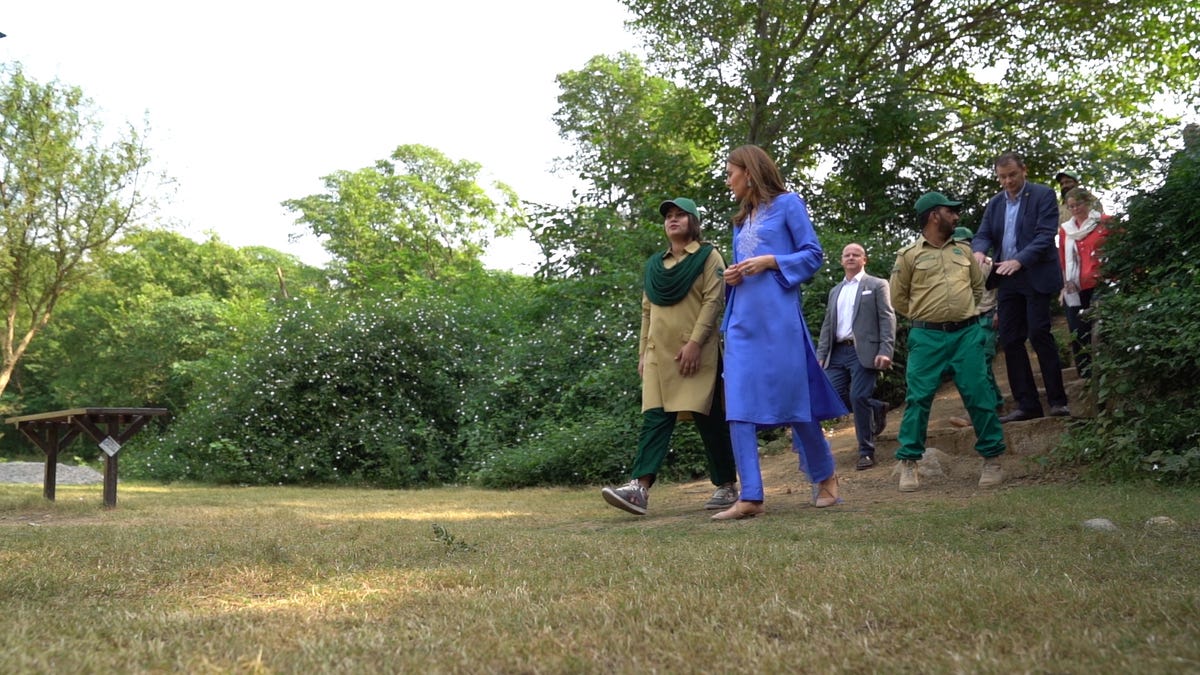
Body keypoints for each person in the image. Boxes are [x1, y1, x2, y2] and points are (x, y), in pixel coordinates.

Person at [712, 145, 847, 520]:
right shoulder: (740, 220)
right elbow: (743, 264)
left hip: (779, 319)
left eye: (731, 173)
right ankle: (751, 496)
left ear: (750, 173)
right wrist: (733, 275)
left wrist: (772, 261)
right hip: (741, 321)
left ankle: (825, 478)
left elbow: (813, 254)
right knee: (737, 402)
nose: (728, 181)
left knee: (794, 401)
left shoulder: (789, 204)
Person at [601, 198, 739, 516]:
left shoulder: (708, 256)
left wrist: (694, 344)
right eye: (668, 217)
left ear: (693, 221)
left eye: (680, 215)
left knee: (709, 419)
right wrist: (642, 353)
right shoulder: (655, 265)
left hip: (694, 353)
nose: (672, 220)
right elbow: (647, 311)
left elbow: (713, 302)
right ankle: (639, 488)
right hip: (657, 356)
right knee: (655, 419)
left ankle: (727, 485)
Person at [890, 192, 1007, 492]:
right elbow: (898, 298)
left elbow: (977, 288)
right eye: (950, 211)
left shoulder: (964, 252)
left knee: (979, 393)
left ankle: (992, 460)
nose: (956, 216)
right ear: (933, 216)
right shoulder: (909, 256)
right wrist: (927, 317)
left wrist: (965, 318)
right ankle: (909, 463)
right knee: (918, 399)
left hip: (967, 334)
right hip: (926, 337)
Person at [973, 152, 1070, 422]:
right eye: (1002, 177)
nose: (1008, 181)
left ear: (1023, 171)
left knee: (1039, 333)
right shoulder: (994, 204)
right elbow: (983, 234)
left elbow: (1045, 235)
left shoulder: (1043, 194)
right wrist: (979, 251)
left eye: (1012, 175)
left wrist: (1019, 260)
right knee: (1010, 338)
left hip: (1035, 273)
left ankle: (1057, 400)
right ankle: (1026, 404)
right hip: (1006, 277)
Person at [815, 243, 895, 471]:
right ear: (841, 260)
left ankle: (866, 452)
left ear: (864, 260)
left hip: (865, 351)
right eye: (846, 254)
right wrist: (821, 354)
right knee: (832, 396)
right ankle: (876, 407)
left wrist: (885, 350)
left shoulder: (877, 284)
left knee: (858, 396)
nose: (850, 257)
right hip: (837, 352)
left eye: (856, 254)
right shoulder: (835, 291)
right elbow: (827, 325)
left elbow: (887, 318)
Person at [1058, 187, 1110, 378]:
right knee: (1077, 330)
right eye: (1071, 206)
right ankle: (1085, 377)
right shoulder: (1066, 230)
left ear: (1087, 202)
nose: (1075, 209)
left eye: (1078, 204)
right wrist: (1063, 288)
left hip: (1101, 283)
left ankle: (1106, 371)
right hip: (1074, 286)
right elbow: (1063, 260)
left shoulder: (1104, 222)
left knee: (1100, 328)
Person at [953, 227, 1003, 410]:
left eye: (963, 243)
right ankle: (994, 403)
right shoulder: (954, 266)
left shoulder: (987, 263)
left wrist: (999, 311)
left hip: (987, 316)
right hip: (968, 321)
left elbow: (1000, 289)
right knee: (974, 365)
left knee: (983, 361)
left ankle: (992, 405)